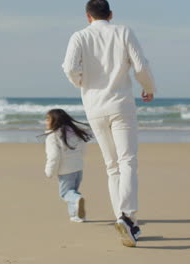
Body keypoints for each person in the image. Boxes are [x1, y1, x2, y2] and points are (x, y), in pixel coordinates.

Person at [62, 0, 156, 247]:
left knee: (112, 165)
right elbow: (140, 65)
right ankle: (127, 217)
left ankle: (121, 218)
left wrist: (81, 83)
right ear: (110, 14)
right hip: (121, 105)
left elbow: (69, 68)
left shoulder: (79, 36)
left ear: (88, 17)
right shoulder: (123, 31)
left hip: (95, 107)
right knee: (127, 161)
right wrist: (149, 87)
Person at [44, 109, 92, 223]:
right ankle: (77, 216)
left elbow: (54, 156)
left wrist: (49, 171)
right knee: (73, 191)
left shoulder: (53, 136)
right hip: (78, 168)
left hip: (66, 170)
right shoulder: (76, 132)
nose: (46, 122)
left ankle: (77, 200)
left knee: (66, 193)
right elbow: (83, 150)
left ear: (55, 121)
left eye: (47, 119)